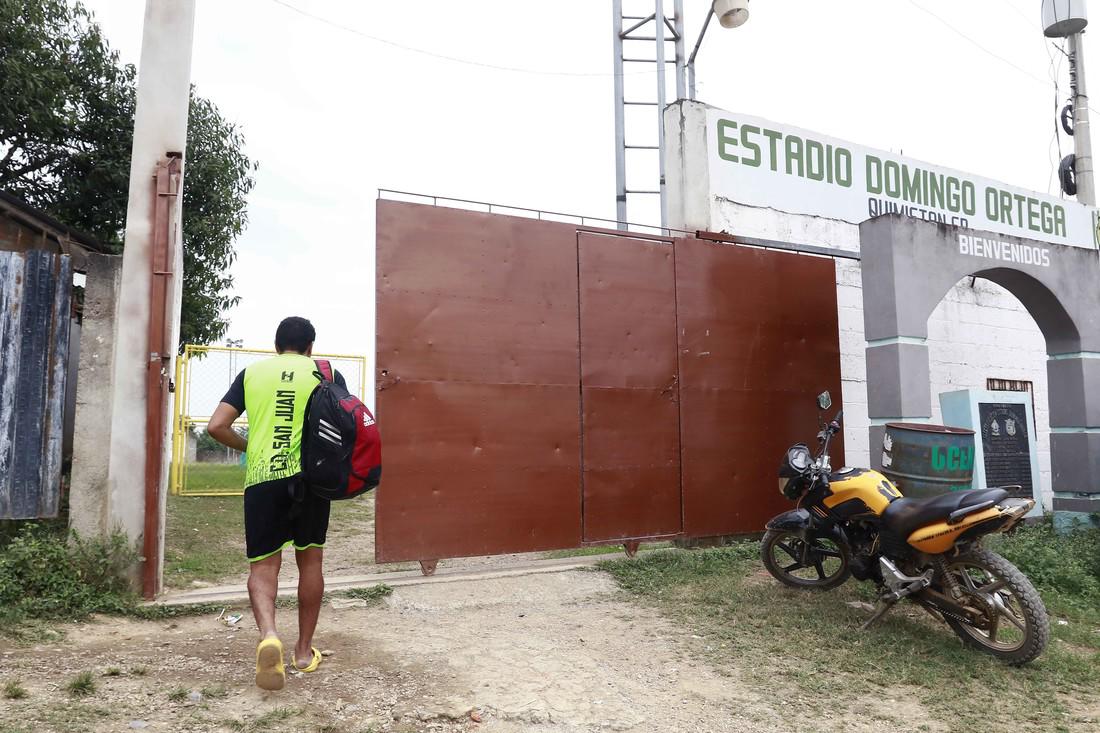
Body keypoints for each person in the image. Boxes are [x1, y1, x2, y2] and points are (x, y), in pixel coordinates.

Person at [208, 316, 347, 691]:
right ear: (310, 347)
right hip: (312, 481)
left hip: (263, 480)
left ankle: (269, 635)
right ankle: (303, 653)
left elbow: (216, 425)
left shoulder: (253, 373)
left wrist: (252, 446)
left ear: (276, 345)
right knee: (311, 561)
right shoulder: (326, 372)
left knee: (264, 569)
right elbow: (344, 424)